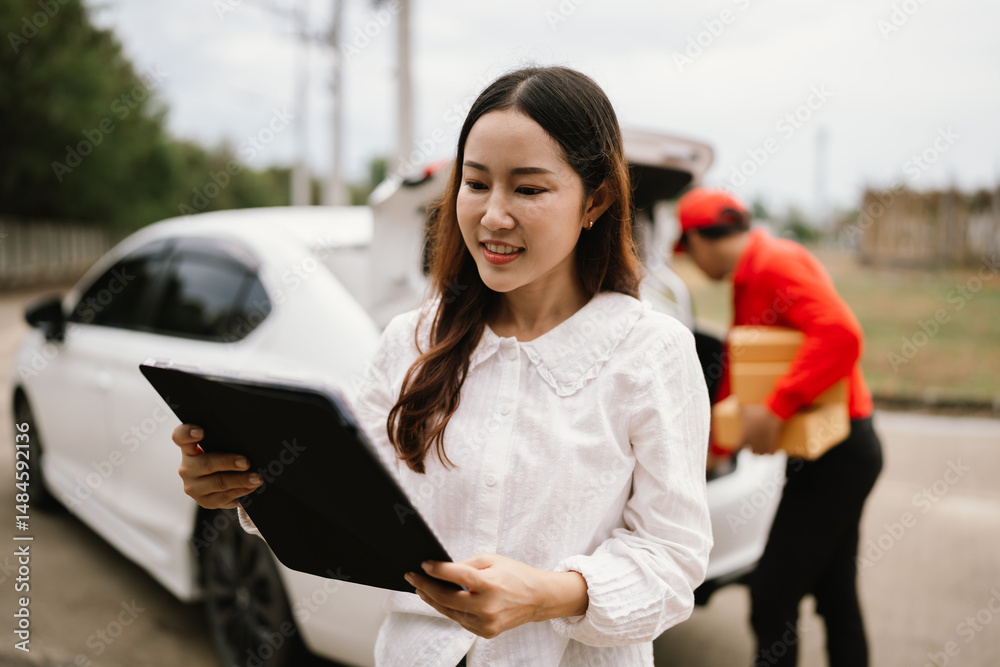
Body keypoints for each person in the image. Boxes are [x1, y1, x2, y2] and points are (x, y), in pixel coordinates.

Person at [173, 66, 713, 667]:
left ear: (597, 200)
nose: (493, 216)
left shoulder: (650, 351)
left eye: (529, 190)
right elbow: (357, 502)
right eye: (476, 184)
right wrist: (251, 486)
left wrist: (549, 595)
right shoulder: (412, 338)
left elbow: (672, 561)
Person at [674, 187, 884, 667]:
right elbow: (743, 365)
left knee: (772, 594)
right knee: (834, 592)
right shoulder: (754, 270)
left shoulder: (772, 265)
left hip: (841, 453)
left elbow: (841, 335)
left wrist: (776, 408)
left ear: (700, 240)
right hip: (833, 450)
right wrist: (713, 444)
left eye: (688, 252)